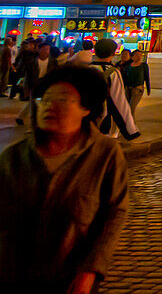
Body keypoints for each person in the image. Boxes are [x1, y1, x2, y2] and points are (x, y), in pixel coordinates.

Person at [0, 65, 129, 294]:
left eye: (63, 99)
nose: (50, 106)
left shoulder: (105, 154)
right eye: (45, 99)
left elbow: (113, 216)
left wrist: (90, 271)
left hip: (70, 280)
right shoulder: (12, 158)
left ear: (86, 109)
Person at [90, 39, 140, 141]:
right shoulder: (113, 73)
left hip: (83, 119)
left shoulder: (86, 69)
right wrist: (131, 130)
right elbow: (119, 102)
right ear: (113, 53)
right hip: (102, 119)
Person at [121, 49, 151, 117]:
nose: (139, 57)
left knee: (131, 108)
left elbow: (147, 77)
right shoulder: (128, 66)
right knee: (127, 107)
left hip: (138, 89)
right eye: (137, 55)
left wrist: (148, 89)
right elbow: (125, 79)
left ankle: (131, 124)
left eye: (140, 55)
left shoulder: (143, 66)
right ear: (132, 56)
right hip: (128, 89)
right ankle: (128, 123)